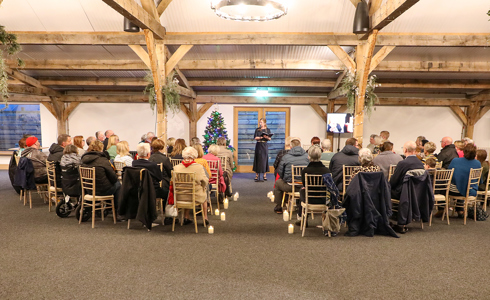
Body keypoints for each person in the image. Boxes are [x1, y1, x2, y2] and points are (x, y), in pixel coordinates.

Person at [80, 140, 121, 213]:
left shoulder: (83, 159)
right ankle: (118, 211)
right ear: (101, 148)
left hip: (88, 190)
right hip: (102, 191)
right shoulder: (102, 160)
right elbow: (113, 178)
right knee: (118, 185)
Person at [173, 147, 209, 225]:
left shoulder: (176, 167)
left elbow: (172, 181)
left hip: (180, 197)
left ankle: (186, 216)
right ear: (194, 156)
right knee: (204, 196)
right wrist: (203, 186)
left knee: (187, 191)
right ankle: (205, 218)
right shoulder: (198, 167)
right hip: (195, 196)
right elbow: (205, 181)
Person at [295, 146, 330, 225]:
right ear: (320, 156)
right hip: (323, 199)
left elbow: (305, 185)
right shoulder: (327, 171)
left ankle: (302, 217)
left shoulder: (305, 171)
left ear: (308, 157)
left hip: (309, 199)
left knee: (302, 190)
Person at [273, 138, 309, 214]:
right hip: (305, 187)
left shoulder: (286, 157)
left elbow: (280, 172)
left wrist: (284, 179)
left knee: (278, 183)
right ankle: (300, 205)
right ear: (300, 146)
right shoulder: (307, 157)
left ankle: (279, 206)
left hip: (290, 186)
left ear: (290, 147)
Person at [447, 144, 481, 217]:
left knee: (449, 187)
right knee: (464, 185)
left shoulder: (455, 160)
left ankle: (441, 209)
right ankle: (460, 209)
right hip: (470, 191)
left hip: (454, 191)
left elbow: (449, 176)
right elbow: (479, 180)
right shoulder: (477, 163)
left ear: (464, 152)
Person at [148, 139, 174, 225]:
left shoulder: (150, 158)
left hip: (151, 184)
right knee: (170, 191)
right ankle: (168, 216)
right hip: (163, 184)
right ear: (162, 147)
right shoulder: (165, 159)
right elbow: (170, 172)